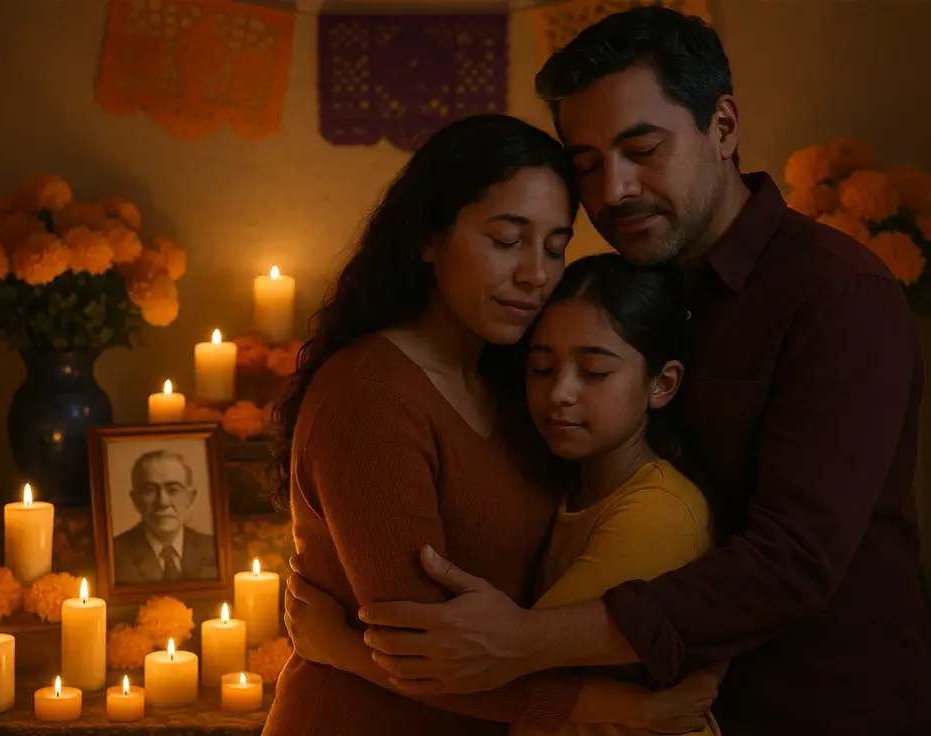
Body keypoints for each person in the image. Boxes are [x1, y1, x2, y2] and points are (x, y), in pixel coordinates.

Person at [286, 7, 931, 736]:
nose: (615, 189)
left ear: (722, 127)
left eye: (641, 149)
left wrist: (520, 644)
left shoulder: (835, 294)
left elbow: (792, 561)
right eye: (587, 163)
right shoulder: (596, 304)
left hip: (815, 701)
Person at [263, 114, 723, 736]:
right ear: (429, 235)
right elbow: (425, 651)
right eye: (508, 240)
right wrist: (602, 708)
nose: (537, 274)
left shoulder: (519, 384)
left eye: (555, 247)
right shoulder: (369, 395)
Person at [113, 450, 218, 584]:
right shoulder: (114, 555)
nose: (163, 502)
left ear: (190, 498)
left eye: (173, 489)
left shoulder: (214, 549)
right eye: (150, 490)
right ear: (135, 500)